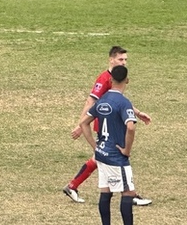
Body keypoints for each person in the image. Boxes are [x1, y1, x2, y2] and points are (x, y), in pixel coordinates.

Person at [63, 46, 152, 206]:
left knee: (100, 158)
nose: (124, 63)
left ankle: (73, 186)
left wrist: (138, 113)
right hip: (105, 125)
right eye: (120, 59)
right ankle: (130, 194)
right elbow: (91, 101)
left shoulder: (117, 77)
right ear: (111, 60)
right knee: (118, 155)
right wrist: (80, 125)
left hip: (113, 123)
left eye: (125, 60)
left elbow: (119, 102)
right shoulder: (104, 79)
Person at [78, 65, 138, 225]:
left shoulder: (103, 100)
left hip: (102, 154)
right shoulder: (124, 103)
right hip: (117, 157)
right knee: (128, 192)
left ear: (111, 80)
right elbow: (131, 127)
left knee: (106, 191)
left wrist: (95, 146)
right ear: (127, 80)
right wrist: (126, 150)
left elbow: (84, 123)